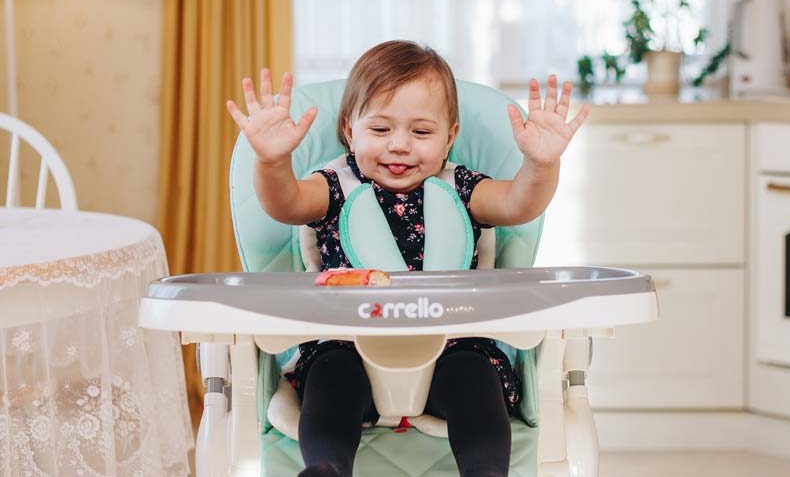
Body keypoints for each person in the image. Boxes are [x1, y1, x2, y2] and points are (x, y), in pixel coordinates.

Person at [225, 40, 590, 477]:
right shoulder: (335, 186)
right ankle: (326, 468)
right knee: (330, 383)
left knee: (477, 382)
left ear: (450, 137)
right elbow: (284, 204)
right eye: (380, 130)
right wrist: (272, 161)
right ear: (349, 129)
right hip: (349, 346)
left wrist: (540, 165)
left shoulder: (463, 188)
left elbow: (517, 204)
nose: (400, 146)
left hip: (453, 349)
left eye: (421, 132)